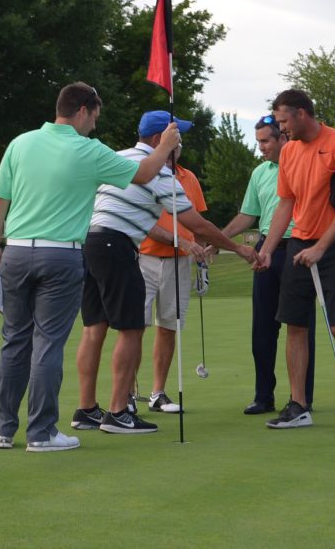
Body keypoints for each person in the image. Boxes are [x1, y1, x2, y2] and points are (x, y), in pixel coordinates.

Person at [0, 82, 181, 453]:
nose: (95, 124)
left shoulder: (21, 143)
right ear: (82, 111)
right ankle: (41, 433)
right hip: (60, 255)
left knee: (14, 341)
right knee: (47, 343)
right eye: (95, 116)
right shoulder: (88, 150)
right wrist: (166, 146)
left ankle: (3, 429)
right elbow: (143, 173)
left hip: (15, 252)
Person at [73, 111, 257, 435]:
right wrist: (238, 249)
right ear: (160, 140)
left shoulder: (118, 157)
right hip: (117, 247)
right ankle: (118, 413)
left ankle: (87, 409)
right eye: (176, 138)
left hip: (91, 243)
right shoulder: (160, 173)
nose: (180, 145)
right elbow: (197, 225)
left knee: (94, 328)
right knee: (132, 329)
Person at [256, 89, 335, 429]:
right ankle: (298, 404)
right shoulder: (289, 151)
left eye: (284, 121)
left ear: (301, 114)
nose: (281, 129)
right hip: (300, 243)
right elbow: (286, 204)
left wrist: (321, 247)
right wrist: (267, 249)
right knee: (295, 324)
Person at [219, 115, 316, 416]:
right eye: (258, 141)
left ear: (282, 138)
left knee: (300, 326)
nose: (260, 147)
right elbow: (248, 215)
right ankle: (264, 396)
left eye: (265, 141)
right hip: (267, 250)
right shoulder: (260, 172)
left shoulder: (302, 164)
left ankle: (302, 398)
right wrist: (218, 239)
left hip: (298, 249)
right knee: (262, 328)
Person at [136, 148, 208, 414]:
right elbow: (143, 223)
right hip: (144, 258)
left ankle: (158, 393)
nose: (176, 146)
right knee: (135, 327)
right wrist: (182, 242)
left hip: (179, 262)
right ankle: (128, 395)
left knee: (168, 326)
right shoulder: (143, 172)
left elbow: (198, 222)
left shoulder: (189, 178)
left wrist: (202, 262)